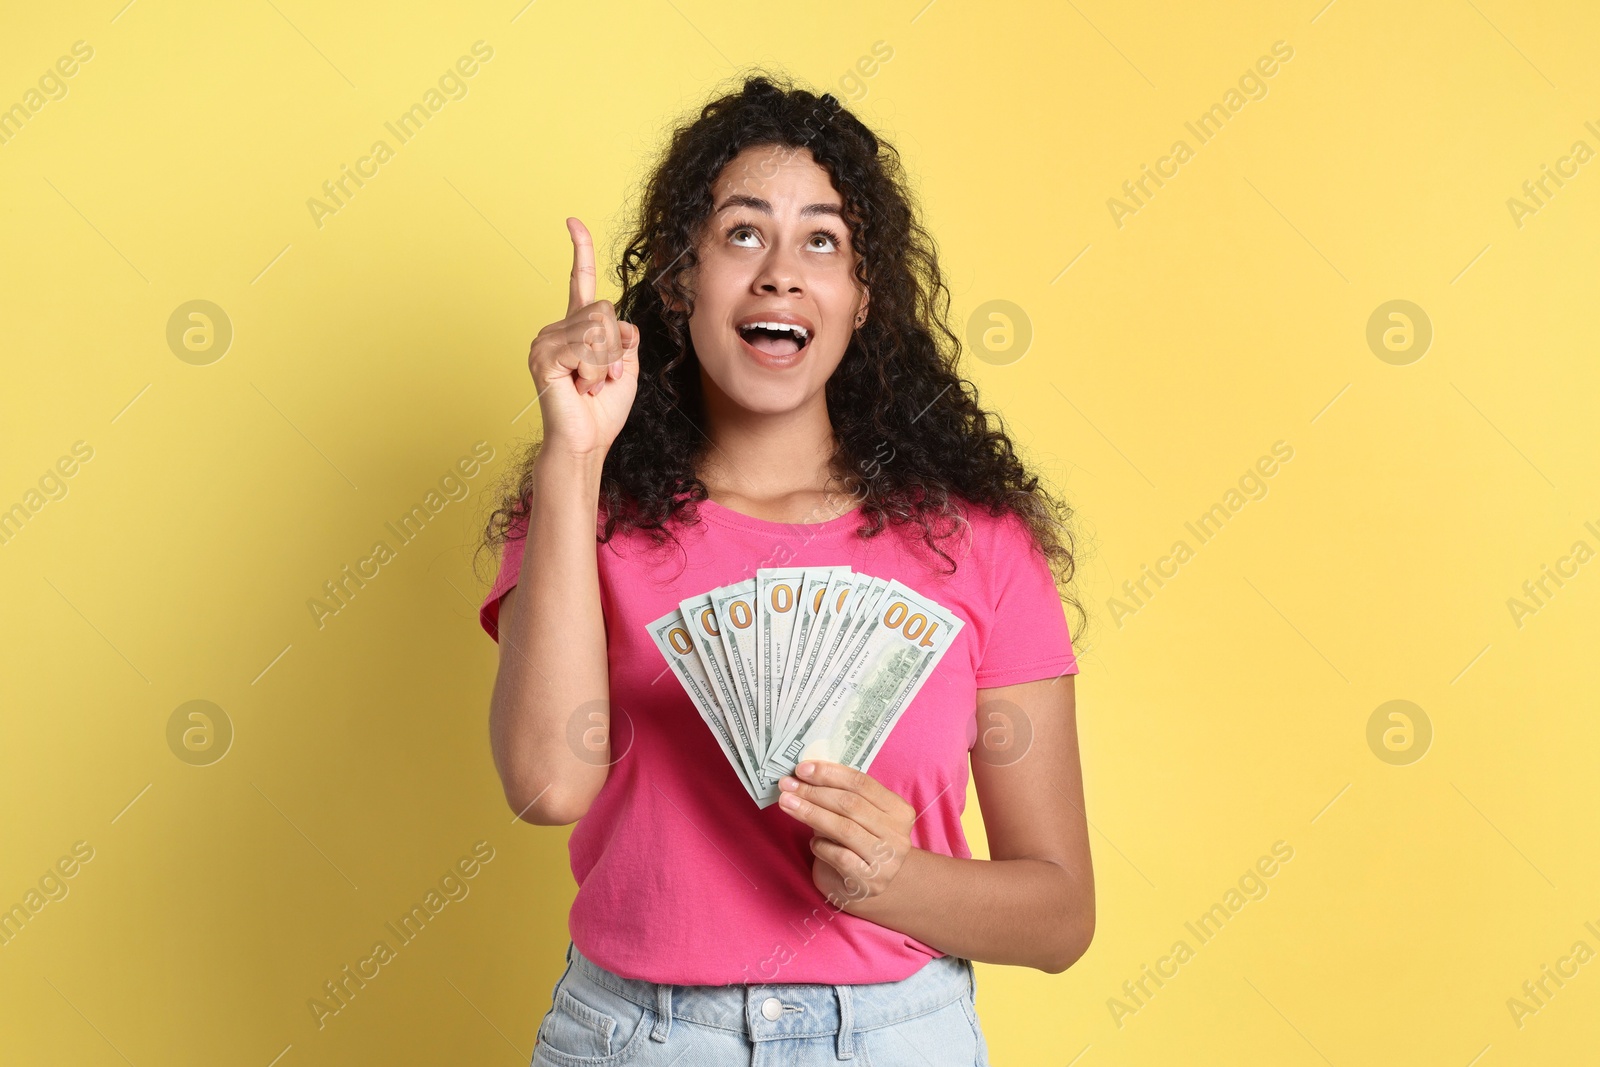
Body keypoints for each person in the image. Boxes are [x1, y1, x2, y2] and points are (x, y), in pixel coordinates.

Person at [477, 72, 1093, 1066]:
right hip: (638, 1037)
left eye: (821, 240)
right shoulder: (584, 512)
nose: (779, 274)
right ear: (681, 282)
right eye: (741, 233)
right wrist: (573, 455)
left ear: (862, 294)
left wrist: (894, 878)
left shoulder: (975, 542)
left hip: (898, 1038)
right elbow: (548, 782)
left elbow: (1059, 912)